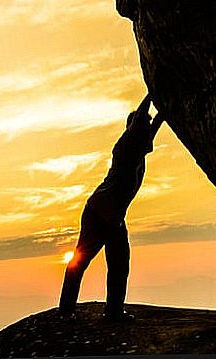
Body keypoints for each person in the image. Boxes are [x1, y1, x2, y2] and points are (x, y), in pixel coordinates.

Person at [57, 94, 164, 322]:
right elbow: (142, 124)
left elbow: (152, 127)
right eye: (142, 127)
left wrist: (166, 110)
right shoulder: (127, 145)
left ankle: (113, 312)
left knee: (119, 264)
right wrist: (153, 92)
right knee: (81, 260)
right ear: (133, 129)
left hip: (113, 217)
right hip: (99, 213)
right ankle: (66, 311)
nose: (148, 134)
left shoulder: (139, 148)